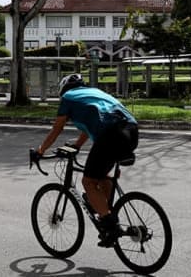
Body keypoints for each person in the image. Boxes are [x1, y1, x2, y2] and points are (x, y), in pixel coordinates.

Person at [34, 73, 139, 247]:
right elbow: (89, 127)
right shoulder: (93, 93)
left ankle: (109, 224)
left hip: (111, 134)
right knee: (102, 176)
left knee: (88, 181)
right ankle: (109, 213)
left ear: (63, 89)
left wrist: (40, 151)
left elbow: (57, 128)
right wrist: (77, 145)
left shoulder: (68, 97)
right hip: (132, 131)